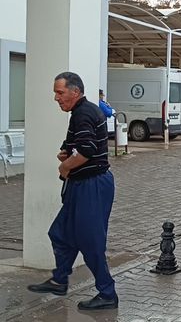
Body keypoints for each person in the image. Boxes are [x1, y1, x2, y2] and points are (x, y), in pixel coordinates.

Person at [27, 72, 118, 310]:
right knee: (61, 233)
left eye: (60, 92)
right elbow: (80, 145)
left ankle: (107, 293)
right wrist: (66, 153)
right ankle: (59, 279)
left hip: (93, 186)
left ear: (75, 92)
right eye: (55, 93)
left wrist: (64, 166)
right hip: (83, 185)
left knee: (90, 242)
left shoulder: (84, 113)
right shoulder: (79, 113)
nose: (56, 98)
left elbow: (86, 150)